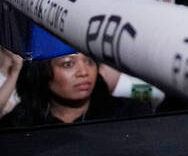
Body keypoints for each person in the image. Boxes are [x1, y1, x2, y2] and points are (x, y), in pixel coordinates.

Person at [0, 52, 151, 127]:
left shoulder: (130, 114)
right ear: (42, 72)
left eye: (89, 61)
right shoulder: (17, 126)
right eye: (67, 64)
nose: (84, 72)